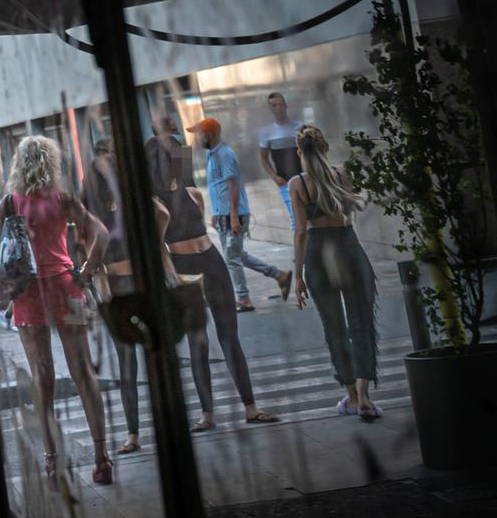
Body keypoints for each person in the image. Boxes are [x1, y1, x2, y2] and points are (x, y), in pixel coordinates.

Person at [0, 135, 114, 485]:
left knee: (42, 378)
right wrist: (85, 272)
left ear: (18, 165)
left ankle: (52, 464)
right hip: (66, 290)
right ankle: (102, 459)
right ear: (51, 162)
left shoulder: (9, 204)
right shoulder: (64, 199)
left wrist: (6, 283)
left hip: (29, 296)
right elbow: (100, 233)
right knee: (84, 373)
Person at [148, 117, 278, 430]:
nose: (177, 162)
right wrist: (173, 279)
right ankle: (207, 414)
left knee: (229, 337)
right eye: (172, 157)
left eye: (178, 156)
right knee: (198, 341)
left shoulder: (191, 192)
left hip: (211, 260)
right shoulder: (153, 202)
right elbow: (160, 247)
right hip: (182, 269)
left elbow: (200, 220)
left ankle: (251, 407)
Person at [80, 138, 177, 454]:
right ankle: (143, 431)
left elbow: (160, 213)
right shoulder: (119, 199)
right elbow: (161, 213)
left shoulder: (105, 204)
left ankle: (136, 435)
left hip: (124, 285)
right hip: (134, 283)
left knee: (130, 365)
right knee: (141, 360)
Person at [290, 125, 381, 419]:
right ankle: (365, 395)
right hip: (348, 247)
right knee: (361, 323)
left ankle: (351, 397)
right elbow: (350, 211)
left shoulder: (297, 185)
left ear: (299, 152)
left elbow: (301, 231)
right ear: (326, 146)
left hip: (318, 252)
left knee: (334, 328)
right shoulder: (342, 174)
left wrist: (299, 276)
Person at [186, 117, 292, 312]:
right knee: (238, 255)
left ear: (209, 134)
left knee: (232, 259)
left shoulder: (224, 154)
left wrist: (233, 215)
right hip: (224, 215)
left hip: (232, 216)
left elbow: (233, 185)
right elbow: (219, 187)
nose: (197, 139)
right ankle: (279, 276)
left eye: (199, 134)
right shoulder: (212, 155)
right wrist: (216, 213)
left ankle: (243, 299)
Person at [257, 92, 304, 232]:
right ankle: (301, 253)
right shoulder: (266, 132)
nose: (278, 108)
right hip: (285, 182)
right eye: (274, 105)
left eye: (280, 104)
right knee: (296, 221)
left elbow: (309, 152)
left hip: (304, 179)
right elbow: (263, 157)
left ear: (286, 105)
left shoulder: (299, 127)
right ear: (270, 109)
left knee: (309, 217)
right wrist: (275, 177)